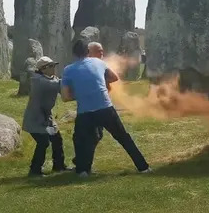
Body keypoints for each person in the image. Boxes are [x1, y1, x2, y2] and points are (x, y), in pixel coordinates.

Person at [61, 39, 152, 177]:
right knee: (123, 137)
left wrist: (81, 93)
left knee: (81, 140)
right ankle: (143, 167)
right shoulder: (99, 62)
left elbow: (65, 97)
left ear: (73, 54)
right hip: (105, 107)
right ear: (88, 52)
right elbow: (114, 78)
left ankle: (82, 171)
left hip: (85, 111)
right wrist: (100, 85)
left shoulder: (68, 70)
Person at [21, 56, 73, 177]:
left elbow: (58, 84)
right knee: (43, 142)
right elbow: (56, 85)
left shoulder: (49, 79)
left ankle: (59, 166)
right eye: (51, 66)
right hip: (35, 119)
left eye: (54, 65)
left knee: (56, 139)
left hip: (46, 118)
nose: (54, 68)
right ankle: (34, 170)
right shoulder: (40, 81)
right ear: (43, 69)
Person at [71, 42, 106, 169]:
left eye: (102, 51)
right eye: (98, 51)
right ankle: (82, 163)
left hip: (101, 107)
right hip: (87, 109)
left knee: (97, 135)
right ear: (89, 53)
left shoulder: (101, 65)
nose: (101, 53)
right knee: (86, 136)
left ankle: (81, 161)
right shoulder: (82, 67)